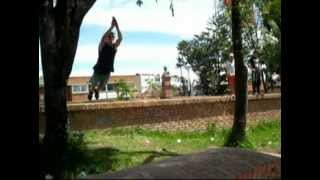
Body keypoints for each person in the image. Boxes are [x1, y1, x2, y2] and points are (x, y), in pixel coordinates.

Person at [88, 16, 122, 100]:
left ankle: (97, 91)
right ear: (107, 38)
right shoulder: (102, 45)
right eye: (109, 37)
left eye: (112, 38)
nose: (110, 39)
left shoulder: (114, 47)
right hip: (99, 68)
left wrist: (117, 27)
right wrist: (111, 27)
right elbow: (103, 38)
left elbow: (120, 39)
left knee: (102, 85)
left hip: (107, 70)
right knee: (93, 83)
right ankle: (91, 91)